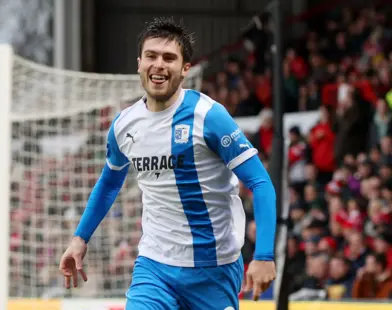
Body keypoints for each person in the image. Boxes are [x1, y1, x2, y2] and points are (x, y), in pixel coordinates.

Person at [58, 17, 277, 310]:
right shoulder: (124, 125)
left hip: (213, 269)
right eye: (151, 56)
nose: (159, 64)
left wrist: (263, 255)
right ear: (139, 63)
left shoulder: (209, 116)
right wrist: (80, 238)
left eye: (169, 58)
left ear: (185, 69)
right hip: (155, 266)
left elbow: (260, 182)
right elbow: (109, 182)